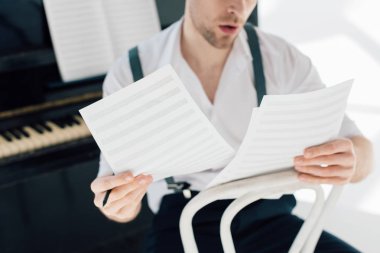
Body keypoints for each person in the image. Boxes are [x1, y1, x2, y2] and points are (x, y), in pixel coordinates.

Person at [90, 0, 374, 252]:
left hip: (270, 220)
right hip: (183, 225)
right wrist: (119, 205)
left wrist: (353, 161)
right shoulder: (131, 70)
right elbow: (113, 195)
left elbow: (359, 148)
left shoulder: (282, 58)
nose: (238, 8)